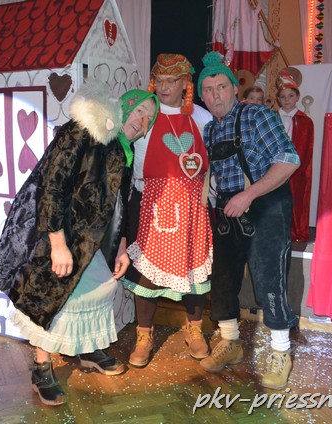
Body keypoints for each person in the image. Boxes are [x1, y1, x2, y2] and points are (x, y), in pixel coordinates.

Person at [0, 83, 159, 406]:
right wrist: (57, 243)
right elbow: (52, 183)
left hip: (92, 241)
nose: (143, 122)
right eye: (140, 111)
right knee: (53, 298)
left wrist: (122, 246)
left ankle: (88, 350)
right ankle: (41, 368)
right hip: (59, 233)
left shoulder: (125, 149)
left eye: (150, 118)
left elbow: (120, 202)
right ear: (124, 107)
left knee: (99, 288)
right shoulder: (83, 130)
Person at [197, 51, 300, 390]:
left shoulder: (257, 115)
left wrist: (249, 195)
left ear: (233, 89)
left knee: (269, 277)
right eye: (208, 90)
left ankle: (280, 351)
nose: (215, 95)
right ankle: (231, 342)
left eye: (221, 87)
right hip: (227, 208)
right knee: (224, 277)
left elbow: (289, 160)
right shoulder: (210, 129)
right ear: (202, 96)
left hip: (265, 203)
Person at [121, 54, 213, 368]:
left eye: (171, 81)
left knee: (193, 270)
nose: (164, 87)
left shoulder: (201, 118)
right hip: (151, 204)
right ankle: (144, 335)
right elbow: (126, 148)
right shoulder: (145, 113)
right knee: (147, 272)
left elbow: (212, 161)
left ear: (185, 83)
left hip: (190, 208)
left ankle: (194, 329)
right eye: (159, 80)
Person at [276, 71, 314, 242]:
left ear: (297, 97)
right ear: (278, 99)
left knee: (295, 199)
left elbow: (306, 148)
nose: (287, 100)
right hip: (274, 166)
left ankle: (295, 231)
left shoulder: (304, 121)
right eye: (283, 96)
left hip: (295, 168)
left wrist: (294, 168)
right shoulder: (272, 118)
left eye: (290, 96)